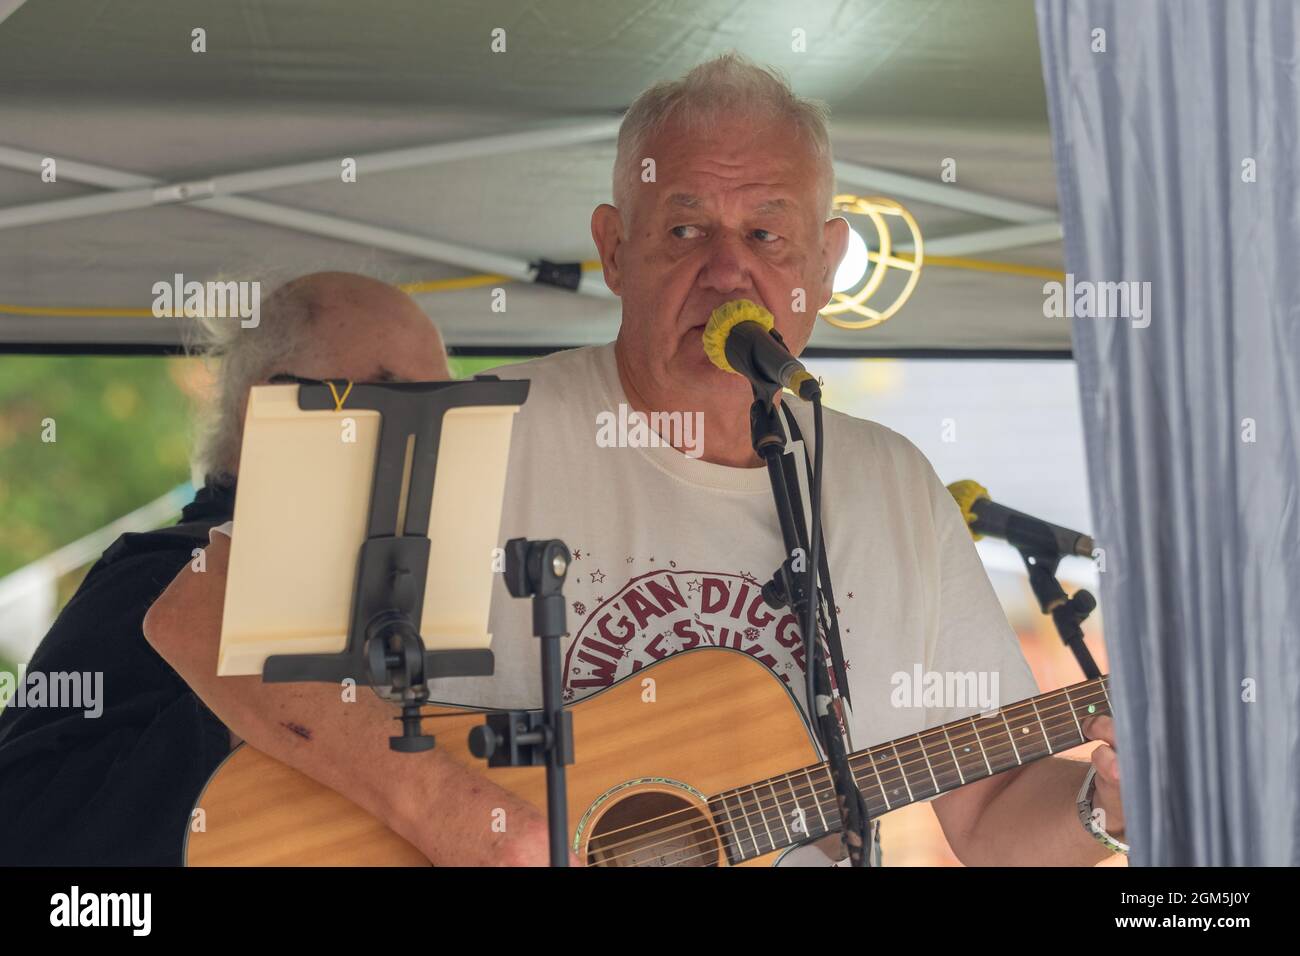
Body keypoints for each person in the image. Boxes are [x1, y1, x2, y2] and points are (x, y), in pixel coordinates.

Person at [144, 53, 1126, 867]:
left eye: (765, 231)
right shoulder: (483, 425)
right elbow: (195, 604)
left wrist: (1102, 806)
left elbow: (993, 814)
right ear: (614, 250)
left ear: (824, 262)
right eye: (686, 227)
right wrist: (467, 819)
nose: (728, 269)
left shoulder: (890, 484)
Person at [0, 272, 450, 865]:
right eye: (389, 398)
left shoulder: (443, 591)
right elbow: (28, 827)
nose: (432, 437)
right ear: (269, 407)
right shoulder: (156, 580)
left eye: (445, 411)